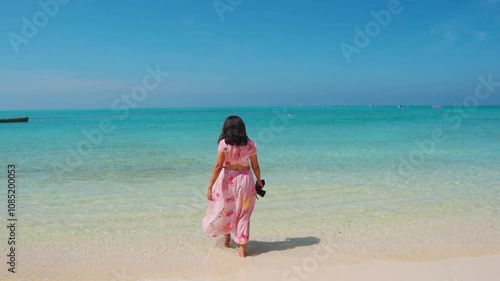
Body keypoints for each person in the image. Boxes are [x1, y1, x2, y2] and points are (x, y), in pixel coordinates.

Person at [202, 115, 263, 257]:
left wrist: (210, 185)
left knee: (226, 209)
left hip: (227, 179)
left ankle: (227, 240)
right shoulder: (251, 144)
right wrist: (259, 180)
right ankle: (242, 252)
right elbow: (255, 166)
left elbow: (218, 166)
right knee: (243, 215)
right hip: (245, 181)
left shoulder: (224, 144)